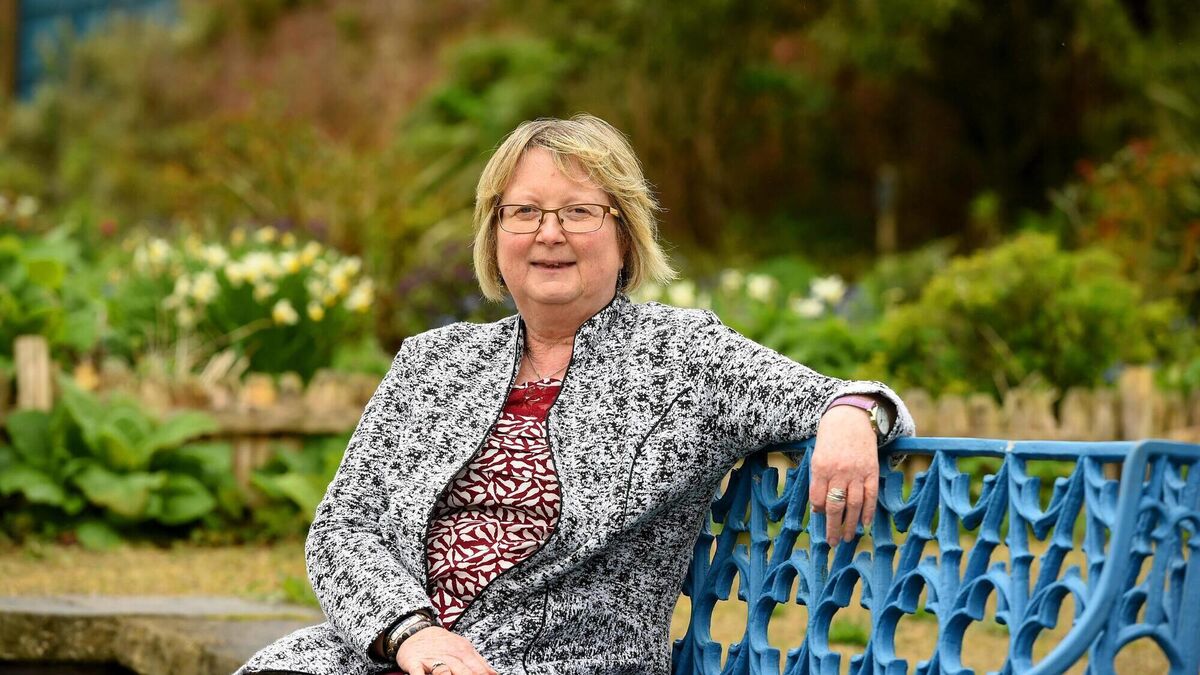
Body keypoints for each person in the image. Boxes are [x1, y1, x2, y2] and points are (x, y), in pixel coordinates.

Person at [238, 114, 914, 675]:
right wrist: (410, 633)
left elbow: (842, 396)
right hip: (386, 655)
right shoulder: (431, 361)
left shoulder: (684, 356)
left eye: (579, 211)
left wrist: (851, 416)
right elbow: (343, 526)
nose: (549, 232)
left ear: (624, 236)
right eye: (524, 211)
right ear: (494, 236)